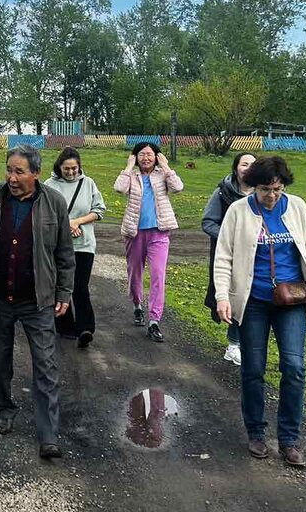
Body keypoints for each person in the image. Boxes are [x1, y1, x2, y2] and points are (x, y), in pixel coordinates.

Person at [0, 144, 74, 460]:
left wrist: (64, 293)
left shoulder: (54, 203)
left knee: (46, 365)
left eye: (19, 171)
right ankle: (5, 410)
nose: (12, 177)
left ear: (35, 173)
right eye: (9, 169)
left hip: (38, 300)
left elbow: (65, 254)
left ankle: (48, 433)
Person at [213, 155, 306, 469]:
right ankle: (256, 432)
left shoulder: (298, 208)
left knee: (294, 366)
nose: (271, 195)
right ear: (254, 187)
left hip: (292, 301)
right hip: (254, 302)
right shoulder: (238, 211)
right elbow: (223, 258)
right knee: (253, 368)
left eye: (276, 188)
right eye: (264, 189)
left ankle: (289, 439)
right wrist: (223, 297)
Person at [114, 141, 184, 343]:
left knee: (158, 276)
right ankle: (137, 305)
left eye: (150, 154)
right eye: (142, 154)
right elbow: (119, 188)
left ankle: (154, 320)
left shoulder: (162, 175)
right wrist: (128, 167)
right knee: (135, 273)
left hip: (159, 234)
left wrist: (167, 167)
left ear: (157, 156)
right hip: (134, 233)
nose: (146, 158)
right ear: (136, 157)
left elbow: (178, 188)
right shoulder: (132, 176)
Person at [43, 146, 106, 349]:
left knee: (80, 286)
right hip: (57, 245)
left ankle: (85, 328)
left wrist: (77, 222)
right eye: (66, 169)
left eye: (74, 168)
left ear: (79, 167)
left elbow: (99, 210)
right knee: (59, 285)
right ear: (59, 167)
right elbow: (44, 215)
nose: (71, 172)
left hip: (84, 245)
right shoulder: (49, 185)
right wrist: (67, 225)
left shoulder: (88, 184)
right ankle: (64, 325)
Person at [201, 152, 257, 366]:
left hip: (257, 257)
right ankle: (233, 345)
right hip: (229, 256)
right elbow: (208, 222)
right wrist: (231, 240)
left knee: (252, 298)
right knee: (237, 297)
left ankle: (246, 343)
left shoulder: (263, 193)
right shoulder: (223, 193)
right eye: (244, 164)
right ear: (236, 168)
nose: (249, 168)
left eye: (253, 164)